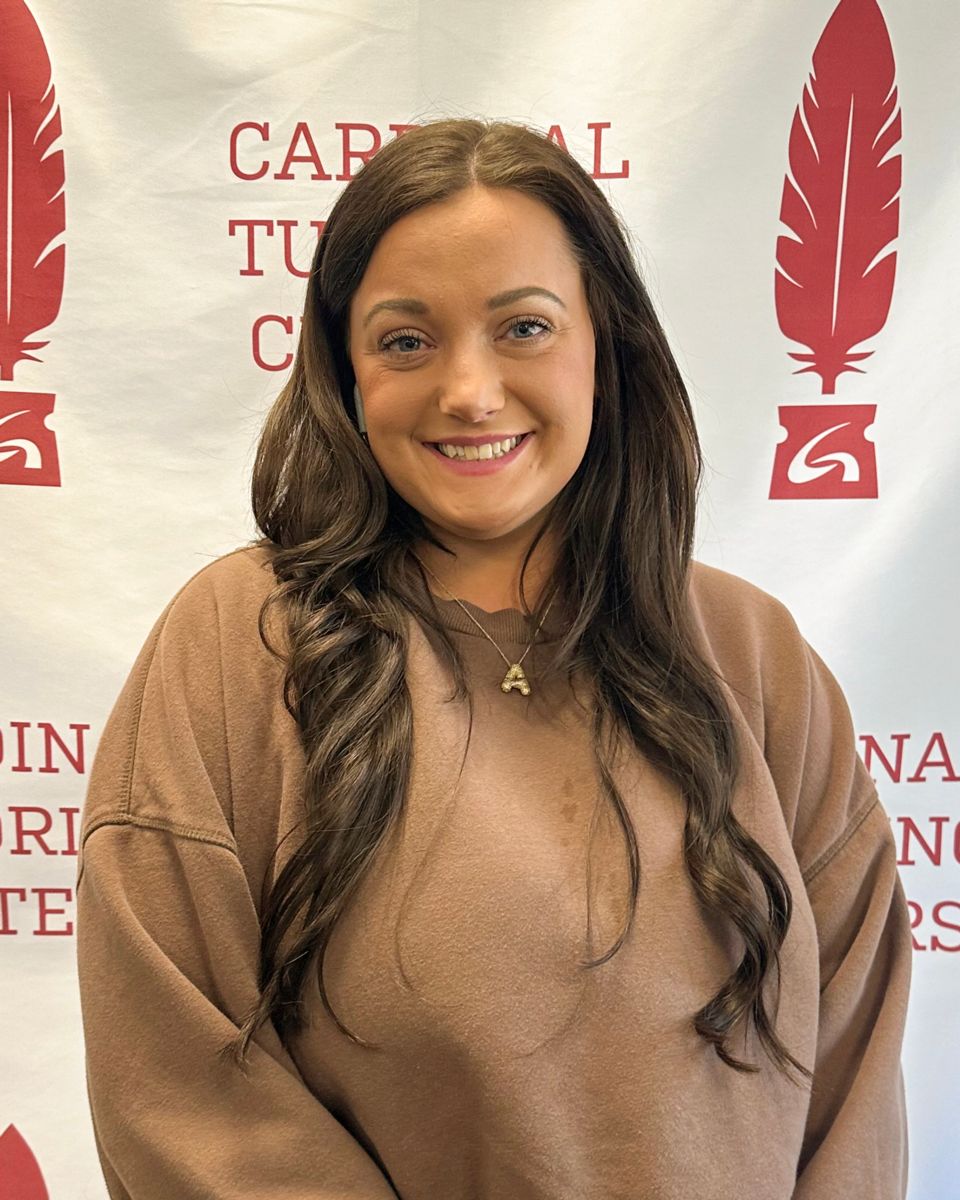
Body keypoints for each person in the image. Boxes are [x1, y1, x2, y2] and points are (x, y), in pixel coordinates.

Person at [75, 118, 911, 1199]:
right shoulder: (239, 644)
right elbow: (180, 1092)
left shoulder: (757, 656)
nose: (469, 391)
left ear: (605, 347)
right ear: (344, 372)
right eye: (406, 341)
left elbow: (854, 1094)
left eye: (523, 327)